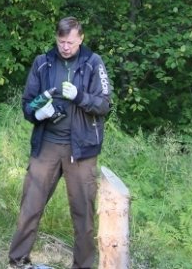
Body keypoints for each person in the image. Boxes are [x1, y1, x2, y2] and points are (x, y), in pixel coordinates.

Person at [8, 17, 113, 269]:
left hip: (82, 149)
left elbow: (104, 105)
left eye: (70, 42)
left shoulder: (93, 63)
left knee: (83, 215)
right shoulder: (43, 63)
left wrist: (80, 97)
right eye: (61, 41)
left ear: (81, 39)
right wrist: (38, 114)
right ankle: (18, 261)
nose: (65, 47)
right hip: (47, 145)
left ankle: (83, 266)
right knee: (30, 206)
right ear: (56, 38)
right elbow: (27, 104)